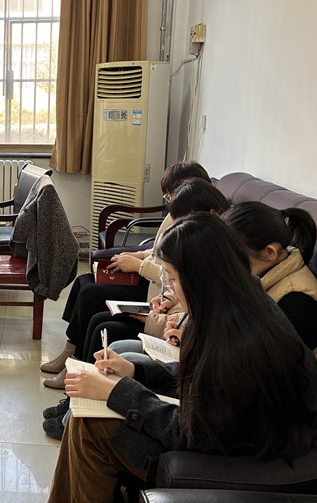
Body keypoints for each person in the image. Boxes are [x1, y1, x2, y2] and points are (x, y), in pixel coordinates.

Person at [47, 212, 317, 502]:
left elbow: (195, 434)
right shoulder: (231, 303)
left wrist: (117, 391)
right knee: (88, 417)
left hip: (249, 455)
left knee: (90, 426)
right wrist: (136, 371)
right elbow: (202, 375)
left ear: (199, 278)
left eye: (172, 278)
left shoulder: (242, 338)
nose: (168, 288)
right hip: (228, 433)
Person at [42, 178, 230, 440]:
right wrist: (171, 307)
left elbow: (188, 426)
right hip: (162, 311)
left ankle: (77, 401)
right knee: (87, 292)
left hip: (157, 313)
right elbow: (166, 270)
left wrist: (164, 313)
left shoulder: (228, 312)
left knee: (101, 323)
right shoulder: (214, 277)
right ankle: (74, 385)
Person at [41, 161, 210, 389]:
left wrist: (138, 266)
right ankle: (70, 352)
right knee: (83, 282)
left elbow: (170, 275)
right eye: (169, 196)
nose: (169, 200)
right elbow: (160, 250)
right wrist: (139, 255)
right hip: (159, 293)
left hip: (152, 288)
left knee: (92, 297)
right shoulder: (182, 211)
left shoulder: (197, 230)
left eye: (171, 194)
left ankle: (77, 366)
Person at [222, 201, 317, 370]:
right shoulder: (264, 277)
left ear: (270, 252)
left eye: (234, 258)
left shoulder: (298, 303)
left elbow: (263, 369)